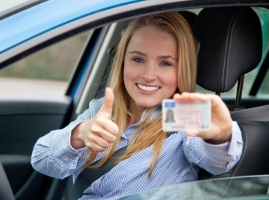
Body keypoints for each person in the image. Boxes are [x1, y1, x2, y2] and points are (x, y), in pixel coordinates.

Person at [31, 12, 243, 199]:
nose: (148, 75)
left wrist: (221, 136)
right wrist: (80, 134)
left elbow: (218, 160)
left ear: (183, 70)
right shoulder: (103, 110)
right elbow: (41, 159)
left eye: (165, 63)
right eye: (138, 59)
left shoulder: (183, 114)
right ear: (123, 62)